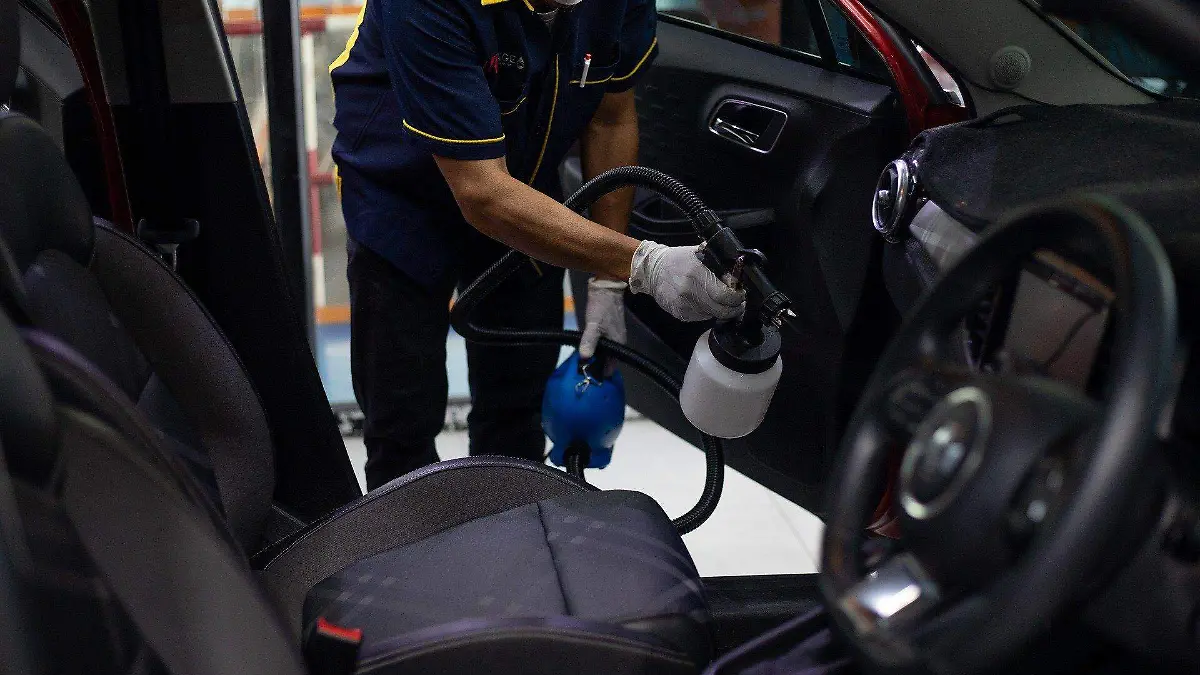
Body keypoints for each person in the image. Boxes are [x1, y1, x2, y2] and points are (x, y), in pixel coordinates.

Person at [330, 0, 745, 490]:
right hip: (400, 197)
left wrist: (608, 284)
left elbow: (610, 117)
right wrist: (643, 264)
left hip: (525, 184)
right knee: (401, 425)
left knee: (516, 416)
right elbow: (483, 194)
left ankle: (512, 526)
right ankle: (408, 532)